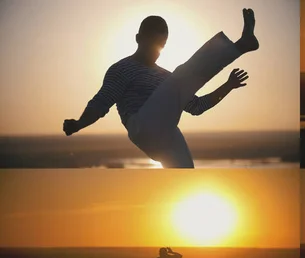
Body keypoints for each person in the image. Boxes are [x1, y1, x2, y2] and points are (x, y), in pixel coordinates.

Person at [63, 9, 259, 168]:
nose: (157, 49)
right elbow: (101, 102)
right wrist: (80, 123)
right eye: (153, 43)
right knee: (181, 75)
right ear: (138, 39)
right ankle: (242, 45)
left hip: (167, 132)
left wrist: (227, 86)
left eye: (162, 45)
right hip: (142, 126)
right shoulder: (122, 69)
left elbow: (197, 107)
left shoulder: (166, 79)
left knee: (185, 172)